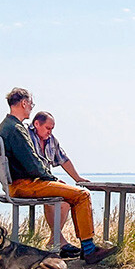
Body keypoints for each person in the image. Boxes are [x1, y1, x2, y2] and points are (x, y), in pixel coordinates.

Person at [0, 88, 117, 265]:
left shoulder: (7, 126)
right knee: (82, 195)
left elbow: (49, 160)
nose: (31, 107)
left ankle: (86, 248)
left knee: (75, 195)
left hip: (18, 184)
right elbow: (32, 164)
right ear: (24, 103)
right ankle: (89, 250)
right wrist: (51, 179)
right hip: (24, 185)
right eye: (30, 104)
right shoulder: (16, 129)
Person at [29, 110, 86, 256]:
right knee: (54, 195)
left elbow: (63, 159)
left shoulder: (51, 140)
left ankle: (54, 240)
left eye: (52, 128)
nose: (50, 131)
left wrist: (77, 178)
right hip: (30, 183)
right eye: (48, 128)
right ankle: (60, 241)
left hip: (45, 181)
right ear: (37, 124)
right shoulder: (25, 135)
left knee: (66, 201)